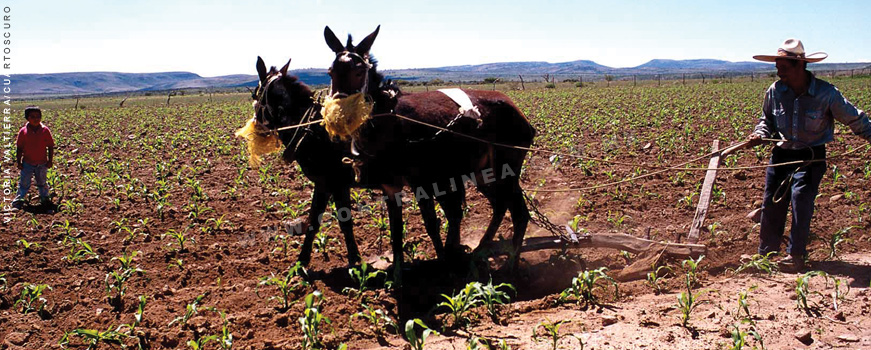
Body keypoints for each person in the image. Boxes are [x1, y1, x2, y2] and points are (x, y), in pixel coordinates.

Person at [747, 38, 871, 271]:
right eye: (777, 64)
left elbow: (854, 118)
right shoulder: (775, 90)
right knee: (770, 203)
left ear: (800, 65)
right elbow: (767, 120)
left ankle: (796, 255)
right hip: (781, 155)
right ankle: (765, 255)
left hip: (811, 157)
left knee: (801, 198)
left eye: (783, 65)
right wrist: (759, 134)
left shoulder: (826, 93)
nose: (778, 69)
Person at [11, 106, 56, 210]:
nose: (36, 119)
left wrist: (50, 160)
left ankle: (45, 200)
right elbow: (19, 148)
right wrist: (19, 162)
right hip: (27, 162)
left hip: (42, 163)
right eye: (33, 116)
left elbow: (50, 146)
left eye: (38, 116)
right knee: (24, 183)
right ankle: (18, 201)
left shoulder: (45, 130)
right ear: (27, 118)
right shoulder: (23, 131)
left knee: (42, 183)